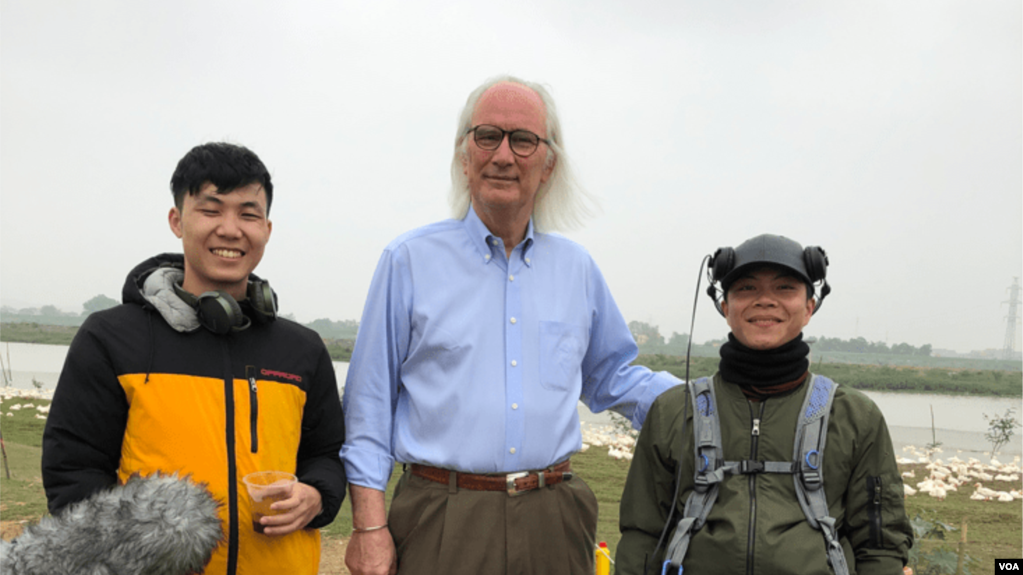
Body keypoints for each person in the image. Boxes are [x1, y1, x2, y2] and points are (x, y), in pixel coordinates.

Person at [341, 75, 680, 575]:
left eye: (523, 140)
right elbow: (368, 408)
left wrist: (702, 405)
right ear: (463, 155)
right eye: (487, 136)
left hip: (555, 517)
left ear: (548, 164)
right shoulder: (408, 261)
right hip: (442, 516)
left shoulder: (577, 269)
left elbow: (612, 377)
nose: (503, 154)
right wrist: (369, 528)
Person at [41, 142, 347, 575]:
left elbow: (327, 455)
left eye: (248, 213)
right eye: (211, 209)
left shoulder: (303, 349)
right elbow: (73, 474)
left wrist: (316, 495)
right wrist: (134, 552)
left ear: (267, 228)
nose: (230, 229)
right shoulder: (110, 338)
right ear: (176, 220)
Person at [616, 234, 913, 574]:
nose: (765, 301)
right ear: (725, 307)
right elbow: (642, 536)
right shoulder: (672, 411)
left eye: (785, 288)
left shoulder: (855, 417)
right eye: (746, 288)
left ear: (810, 307)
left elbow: (881, 545)